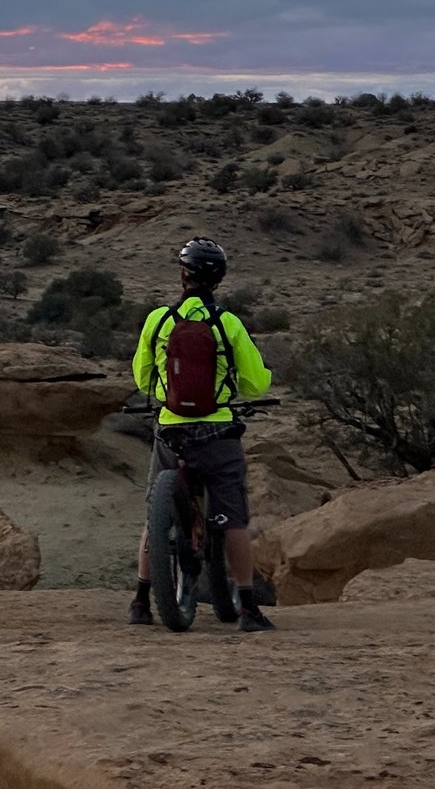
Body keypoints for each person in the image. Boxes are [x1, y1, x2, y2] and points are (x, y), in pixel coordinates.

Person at [128, 237, 275, 632]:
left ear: (182, 276)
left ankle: (142, 600)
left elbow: (142, 377)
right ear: (219, 280)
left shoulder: (158, 320)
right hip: (218, 429)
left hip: (171, 428)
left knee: (153, 510)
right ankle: (247, 609)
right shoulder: (228, 324)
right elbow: (256, 384)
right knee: (233, 520)